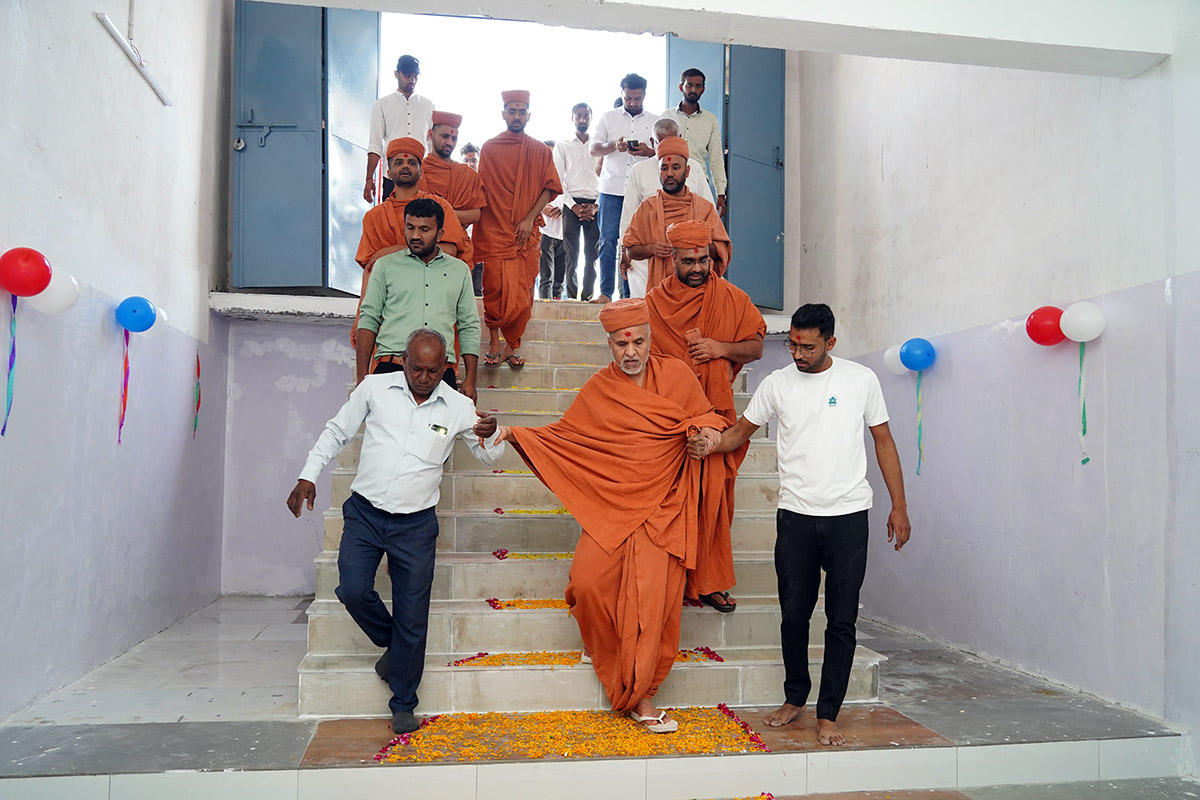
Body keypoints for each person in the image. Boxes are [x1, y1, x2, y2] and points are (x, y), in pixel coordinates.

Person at [495, 299, 731, 733]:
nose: (631, 352)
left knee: (650, 605)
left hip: (664, 510)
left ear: (650, 340)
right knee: (587, 585)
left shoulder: (677, 376)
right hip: (613, 509)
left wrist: (704, 437)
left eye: (639, 342)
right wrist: (513, 433)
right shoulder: (599, 390)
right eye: (622, 344)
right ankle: (605, 648)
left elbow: (708, 418)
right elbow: (564, 438)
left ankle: (642, 696)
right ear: (609, 344)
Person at [687, 303, 911, 746]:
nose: (797, 353)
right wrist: (709, 443)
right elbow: (739, 434)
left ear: (830, 342)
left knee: (841, 620)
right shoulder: (777, 384)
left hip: (848, 517)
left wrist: (899, 506)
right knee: (793, 616)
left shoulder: (860, 380)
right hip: (796, 517)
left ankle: (828, 714)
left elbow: (883, 441)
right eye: (792, 344)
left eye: (807, 347)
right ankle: (795, 697)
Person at [287, 328, 504, 735]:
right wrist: (307, 476)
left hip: (416, 525)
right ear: (403, 361)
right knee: (352, 589)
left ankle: (403, 702)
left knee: (412, 614)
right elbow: (336, 431)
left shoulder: (459, 407)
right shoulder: (375, 388)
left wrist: (491, 435)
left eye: (433, 371)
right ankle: (396, 645)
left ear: (445, 367)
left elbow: (489, 456)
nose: (423, 377)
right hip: (366, 514)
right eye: (416, 368)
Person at [645, 220, 765, 612]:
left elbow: (756, 347)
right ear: (672, 259)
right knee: (669, 504)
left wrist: (720, 348)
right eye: (688, 261)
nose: (697, 268)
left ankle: (709, 582)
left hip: (717, 419)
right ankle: (672, 579)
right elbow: (642, 362)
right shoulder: (654, 304)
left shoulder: (732, 298)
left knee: (713, 501)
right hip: (669, 420)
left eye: (703, 260)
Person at [356, 197, 481, 402]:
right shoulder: (385, 266)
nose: (415, 235)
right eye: (410, 227)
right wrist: (362, 378)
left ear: (440, 234)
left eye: (424, 229)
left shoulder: (459, 271)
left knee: (440, 426)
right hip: (391, 369)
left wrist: (471, 379)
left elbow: (469, 325)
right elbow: (368, 319)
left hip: (440, 374)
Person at [475, 90, 562, 369]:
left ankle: (513, 344)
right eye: (511, 111)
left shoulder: (539, 150)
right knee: (494, 288)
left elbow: (549, 187)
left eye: (521, 112)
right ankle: (494, 342)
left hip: (526, 233)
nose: (516, 116)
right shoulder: (489, 148)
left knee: (523, 293)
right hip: (496, 230)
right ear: (503, 114)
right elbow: (483, 190)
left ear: (528, 115)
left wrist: (529, 218)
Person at [353, 137, 466, 347]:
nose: (405, 166)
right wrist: (361, 315)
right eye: (399, 162)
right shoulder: (374, 217)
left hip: (433, 302)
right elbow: (370, 270)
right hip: (391, 307)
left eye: (412, 162)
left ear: (421, 171)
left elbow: (450, 250)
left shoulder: (439, 207)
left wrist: (395, 250)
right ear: (389, 173)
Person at [619, 119, 714, 298]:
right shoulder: (639, 171)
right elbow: (628, 215)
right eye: (661, 142)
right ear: (652, 142)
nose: (670, 173)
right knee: (648, 306)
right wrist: (623, 251)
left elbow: (709, 214)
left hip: (690, 262)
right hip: (648, 263)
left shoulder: (695, 168)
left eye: (676, 168)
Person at [589, 74, 660, 304]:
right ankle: (605, 293)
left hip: (641, 192)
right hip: (611, 189)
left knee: (635, 243)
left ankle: (630, 295)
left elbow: (663, 152)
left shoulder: (655, 121)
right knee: (608, 240)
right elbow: (594, 149)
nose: (632, 102)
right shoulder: (608, 118)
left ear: (644, 95)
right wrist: (613, 146)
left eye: (637, 98)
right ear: (622, 94)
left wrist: (649, 152)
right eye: (628, 98)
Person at [420, 111, 486, 267]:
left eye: (454, 138)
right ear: (431, 134)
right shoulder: (418, 171)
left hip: (458, 250)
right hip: (420, 248)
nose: (450, 142)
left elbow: (476, 215)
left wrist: (439, 213)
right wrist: (452, 214)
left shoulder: (467, 175)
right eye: (445, 136)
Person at [366, 55, 435, 203]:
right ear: (396, 74)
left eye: (415, 76)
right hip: (392, 177)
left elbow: (432, 145)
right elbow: (375, 145)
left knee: (424, 215)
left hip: (421, 177)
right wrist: (369, 179)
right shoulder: (382, 105)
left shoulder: (429, 106)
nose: (412, 80)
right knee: (390, 216)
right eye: (408, 75)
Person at [660, 68, 727, 216]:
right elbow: (658, 152)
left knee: (698, 226)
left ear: (703, 89)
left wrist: (721, 194)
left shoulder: (710, 120)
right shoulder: (667, 116)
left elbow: (716, 158)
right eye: (689, 85)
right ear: (681, 87)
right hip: (671, 183)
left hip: (699, 183)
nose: (693, 90)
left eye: (698, 86)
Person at [553, 103, 600, 301]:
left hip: (595, 204)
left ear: (591, 118)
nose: (582, 119)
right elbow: (558, 179)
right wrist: (573, 205)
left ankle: (588, 297)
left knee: (592, 256)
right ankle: (571, 298)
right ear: (572, 118)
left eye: (586, 116)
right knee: (571, 255)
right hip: (571, 204)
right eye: (578, 116)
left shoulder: (598, 146)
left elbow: (606, 177)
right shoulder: (563, 145)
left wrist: (597, 205)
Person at [538, 189, 568, 301]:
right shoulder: (546, 183)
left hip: (565, 236)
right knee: (546, 277)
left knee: (559, 280)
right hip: (546, 233)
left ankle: (557, 304)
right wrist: (544, 208)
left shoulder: (570, 184)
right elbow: (534, 199)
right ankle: (545, 303)